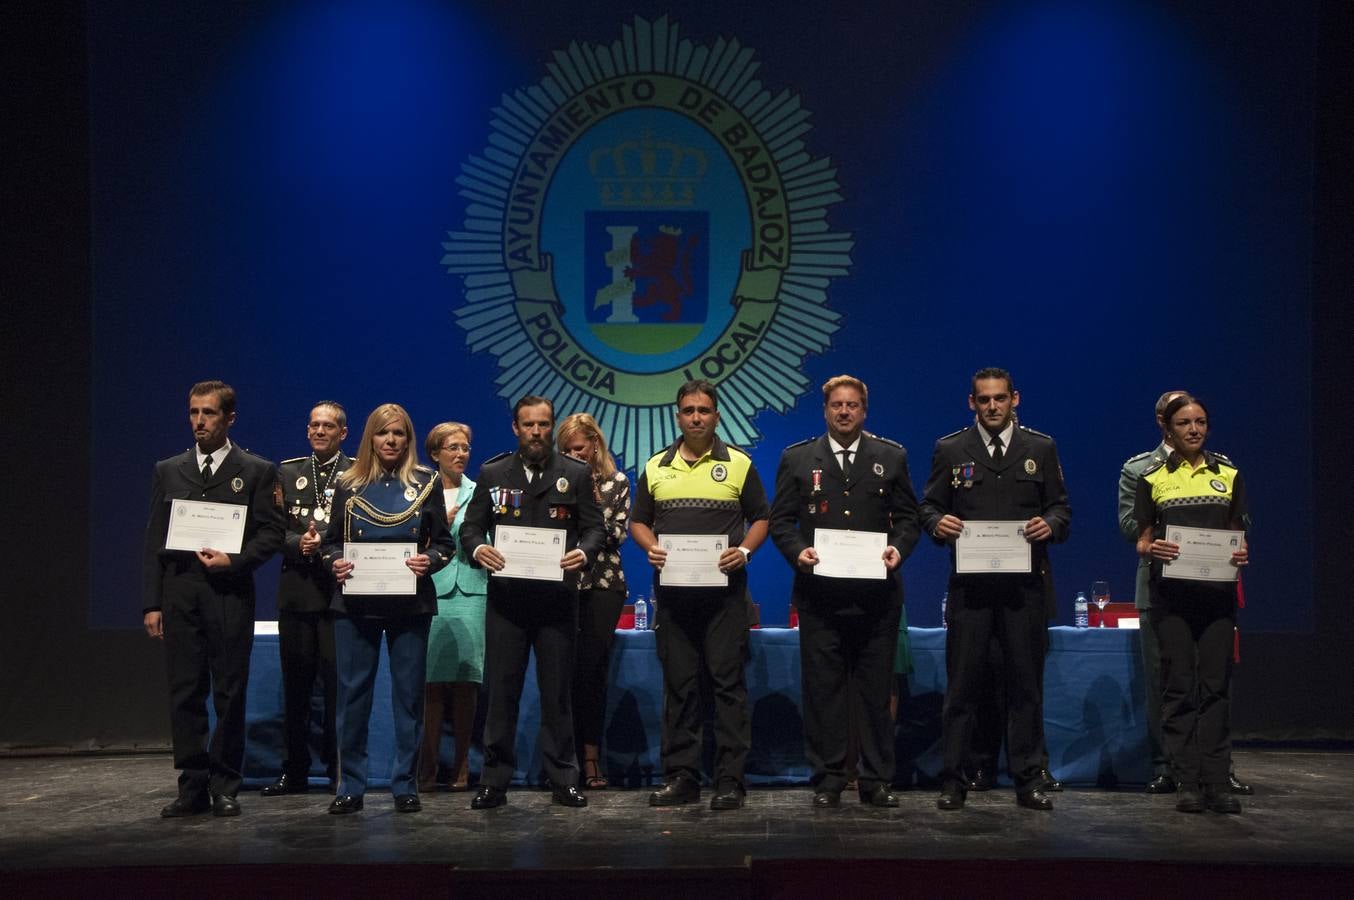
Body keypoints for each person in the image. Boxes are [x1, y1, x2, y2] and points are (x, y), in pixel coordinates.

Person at [920, 367, 1070, 811]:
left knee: (1026, 689)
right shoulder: (951, 449)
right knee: (963, 689)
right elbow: (929, 505)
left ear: (1014, 400)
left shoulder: (1039, 447)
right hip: (970, 592)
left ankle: (1028, 780)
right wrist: (936, 523)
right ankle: (954, 779)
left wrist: (1051, 524)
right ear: (972, 403)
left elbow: (1060, 507)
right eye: (983, 400)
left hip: (1025, 591)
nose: (992, 407)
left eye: (999, 399)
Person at [769, 375, 920, 808]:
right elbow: (781, 521)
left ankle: (875, 780)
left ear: (865, 410)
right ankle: (829, 779)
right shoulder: (798, 459)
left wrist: (898, 549)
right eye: (836, 405)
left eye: (853, 405)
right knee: (824, 691)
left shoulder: (890, 457)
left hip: (877, 597)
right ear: (825, 410)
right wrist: (799, 553)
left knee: (875, 692)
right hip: (820, 597)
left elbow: (909, 519)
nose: (844, 412)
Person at [143, 380, 283, 817]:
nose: (199, 421)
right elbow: (154, 541)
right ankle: (191, 785)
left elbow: (272, 533)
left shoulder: (256, 470)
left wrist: (235, 560)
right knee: (185, 691)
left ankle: (225, 784)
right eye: (193, 413)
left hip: (228, 592)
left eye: (208, 413)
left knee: (228, 691)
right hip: (180, 591)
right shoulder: (169, 469)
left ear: (229, 418)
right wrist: (152, 603)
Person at [459, 396, 605, 810]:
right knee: (501, 693)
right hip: (507, 603)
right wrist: (477, 550)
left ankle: (563, 779)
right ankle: (494, 781)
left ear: (551, 427)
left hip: (557, 603)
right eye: (529, 425)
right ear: (515, 428)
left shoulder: (575, 473)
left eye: (543, 424)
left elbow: (595, 530)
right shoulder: (493, 472)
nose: (537, 432)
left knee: (557, 694)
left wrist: (586, 552)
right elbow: (471, 530)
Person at [630, 379, 770, 810]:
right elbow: (638, 520)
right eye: (688, 410)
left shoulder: (740, 465)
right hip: (673, 599)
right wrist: (650, 545)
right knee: (681, 687)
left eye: (704, 411)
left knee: (728, 687)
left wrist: (744, 551)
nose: (696, 417)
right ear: (678, 416)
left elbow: (762, 517)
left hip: (726, 599)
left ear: (717, 415)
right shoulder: (655, 466)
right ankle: (682, 777)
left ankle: (730, 781)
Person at [320, 403, 454, 815]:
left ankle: (404, 784)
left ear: (408, 439)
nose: (391, 440)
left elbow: (445, 545)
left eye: (398, 433)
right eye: (383, 433)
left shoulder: (427, 482)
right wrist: (334, 562)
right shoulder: (348, 483)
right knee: (353, 695)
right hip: (356, 604)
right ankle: (351, 786)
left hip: (410, 604)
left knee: (409, 698)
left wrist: (428, 561)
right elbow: (329, 543)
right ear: (370, 439)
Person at [1119, 391, 1253, 797]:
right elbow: (1131, 526)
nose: (1192, 428)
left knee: (1214, 683)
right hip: (1162, 590)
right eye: (1180, 420)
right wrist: (1155, 541)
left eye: (1199, 421)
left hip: (1213, 589)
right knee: (1168, 682)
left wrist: (1238, 547)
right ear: (1163, 422)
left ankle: (1216, 771)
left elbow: (1237, 523)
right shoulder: (1141, 470)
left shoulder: (1225, 469)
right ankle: (1169, 767)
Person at [261, 401, 351, 797]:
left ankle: (338, 771)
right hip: (297, 592)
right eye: (313, 425)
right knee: (296, 690)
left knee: (336, 690)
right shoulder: (289, 471)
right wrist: (301, 543)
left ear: (343, 433)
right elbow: (271, 530)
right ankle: (293, 770)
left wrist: (328, 546)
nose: (318, 431)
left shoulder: (356, 473)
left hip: (338, 594)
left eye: (327, 426)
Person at [557, 413, 630, 790]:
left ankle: (590, 756)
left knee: (592, 671)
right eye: (567, 450)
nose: (574, 455)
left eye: (580, 448)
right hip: (563, 584)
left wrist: (592, 498)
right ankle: (561, 758)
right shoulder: (557, 481)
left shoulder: (616, 483)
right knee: (562, 672)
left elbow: (615, 534)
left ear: (595, 446)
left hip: (603, 583)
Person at [417, 422, 487, 793]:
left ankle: (461, 767)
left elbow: (490, 537)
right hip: (432, 590)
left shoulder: (481, 492)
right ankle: (427, 768)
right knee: (431, 684)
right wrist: (437, 529)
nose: (461, 454)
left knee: (466, 684)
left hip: (472, 591)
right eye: (453, 448)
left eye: (466, 447)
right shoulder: (421, 490)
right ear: (435, 454)